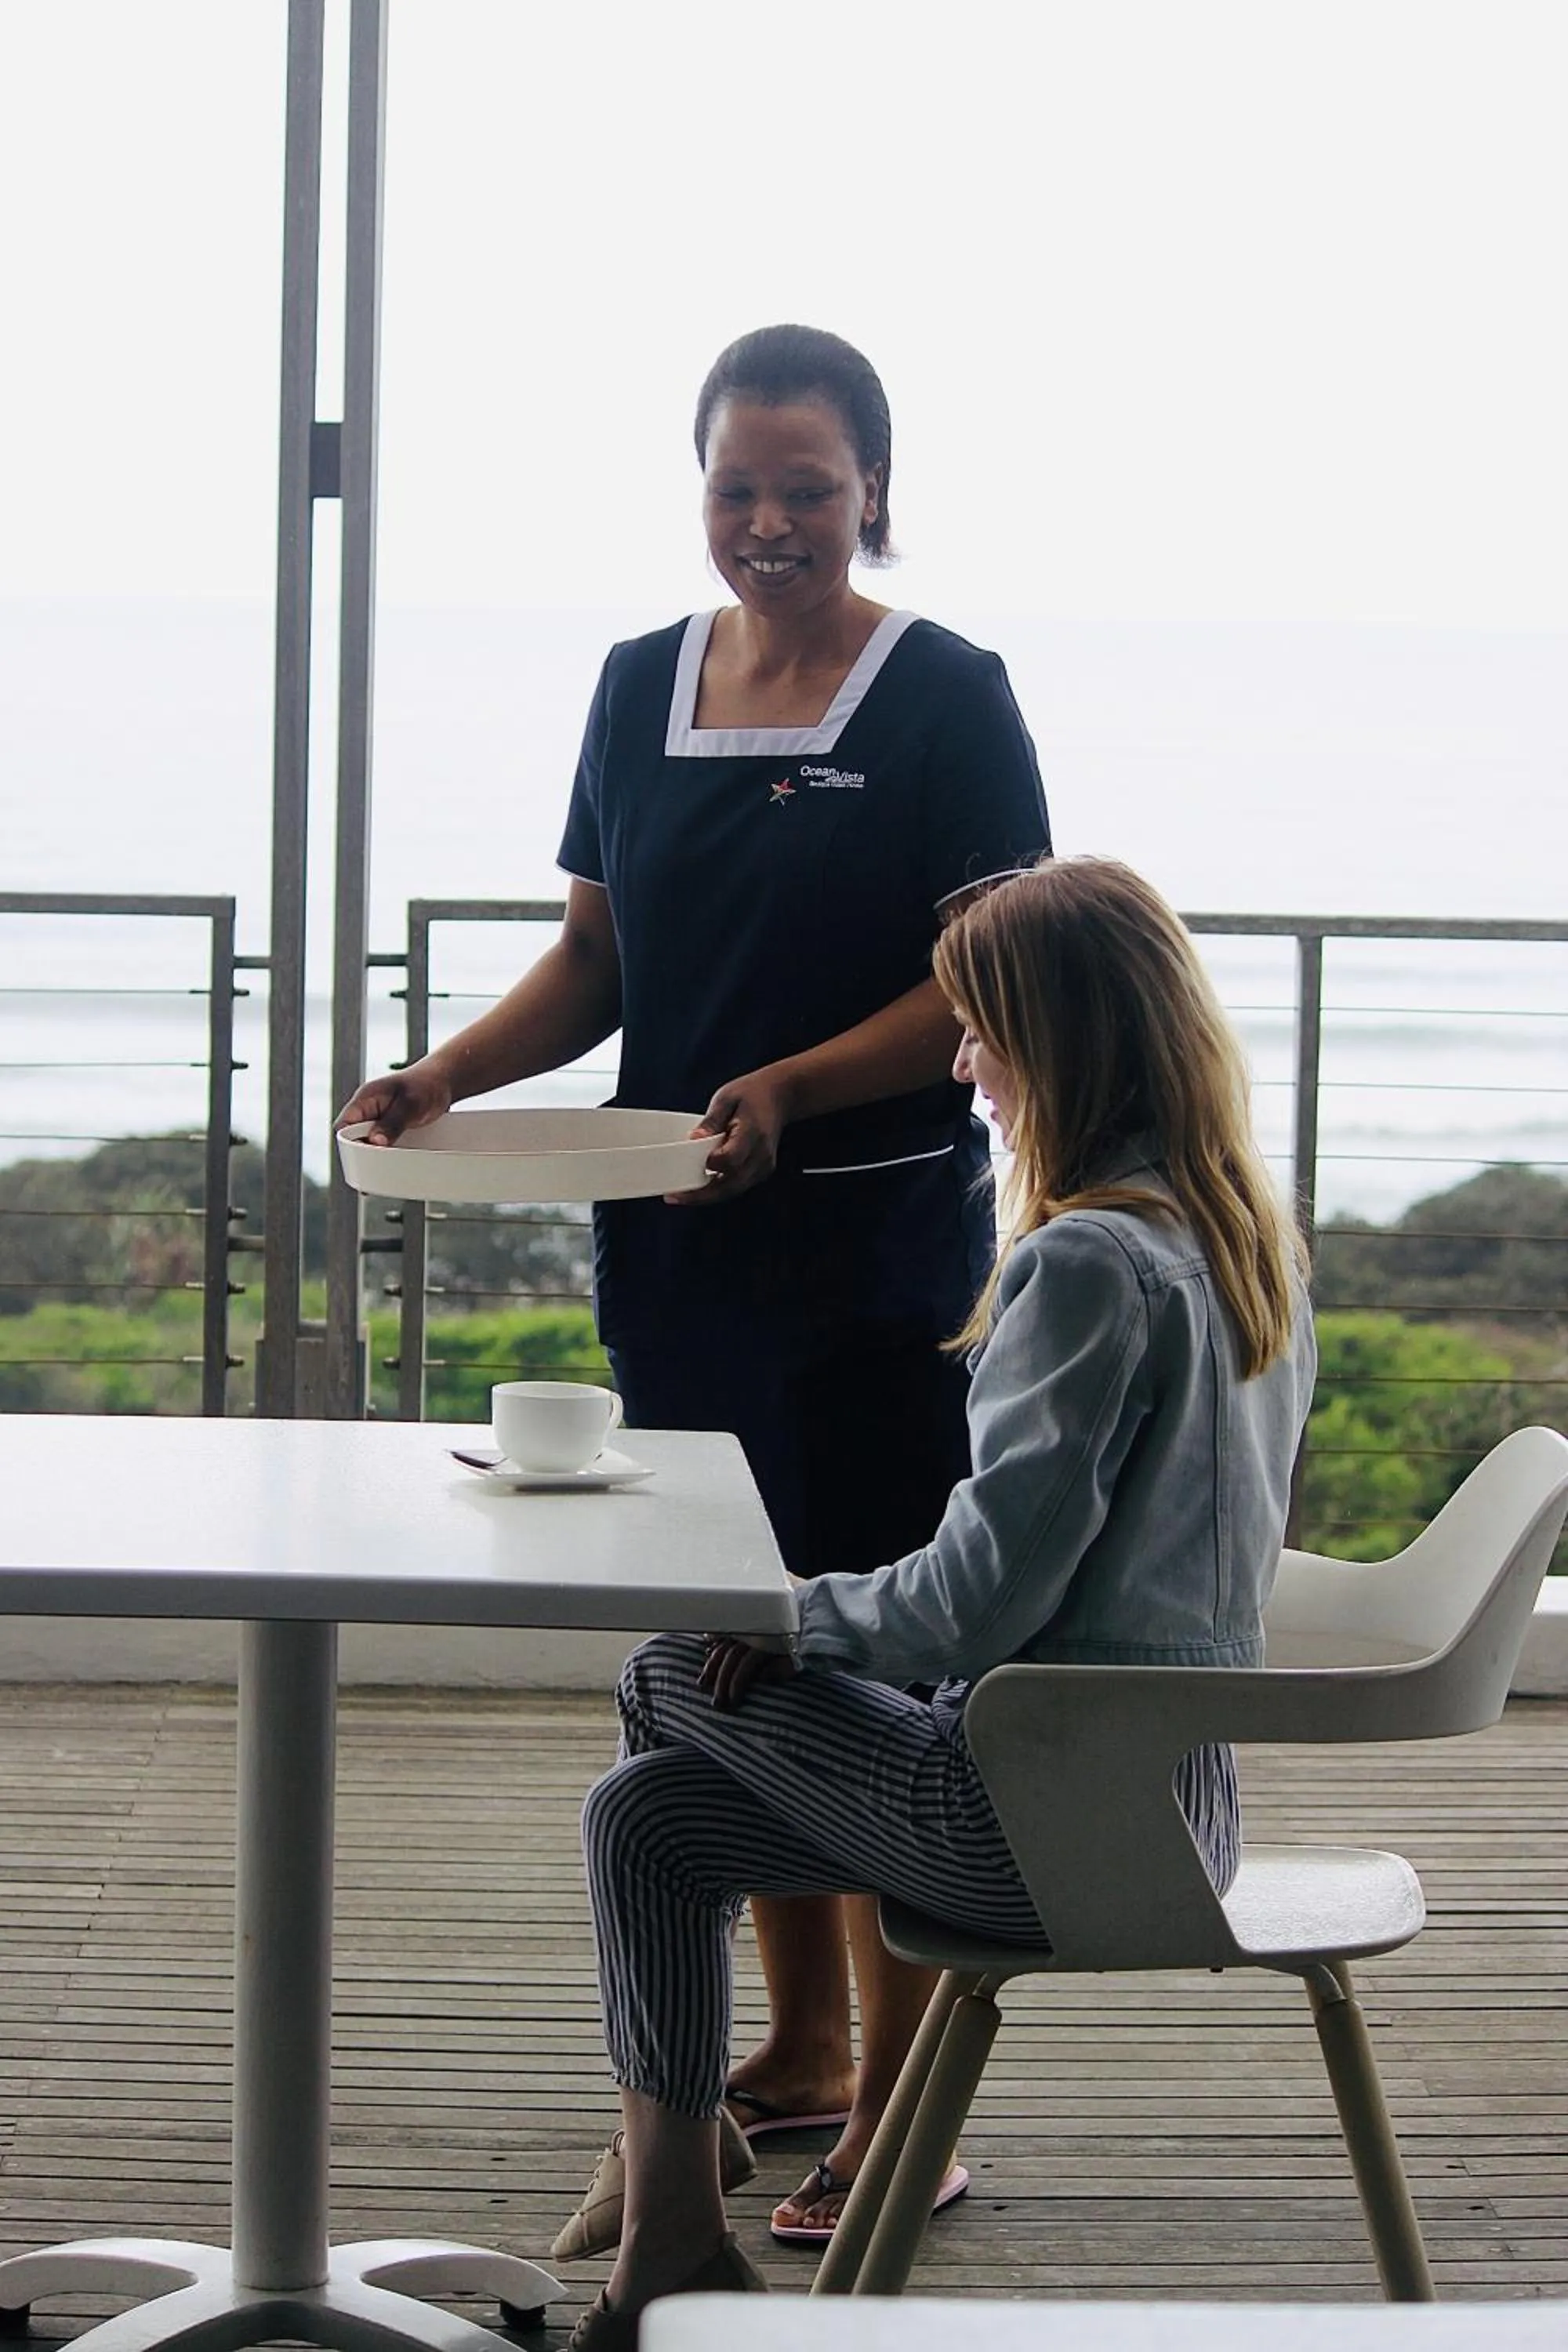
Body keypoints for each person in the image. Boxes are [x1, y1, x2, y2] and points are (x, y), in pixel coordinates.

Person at [336, 323, 1051, 2232]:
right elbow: (599, 961)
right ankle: (803, 2046)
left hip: (880, 1249)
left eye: (806, 490)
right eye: (736, 487)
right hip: (675, 1244)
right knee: (725, 1650)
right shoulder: (633, 683)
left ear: (873, 492)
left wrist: (796, 1089)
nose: (767, 524)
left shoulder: (948, 695)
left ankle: (911, 2106)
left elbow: (989, 975)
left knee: (879, 1657)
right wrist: (441, 1073)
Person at [553, 856, 1318, 2347]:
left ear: (1061, 1039)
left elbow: (971, 1606)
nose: (961, 1064)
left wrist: (785, 1616)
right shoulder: (1245, 1236)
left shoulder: (1088, 1265)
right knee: (640, 1824)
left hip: (1039, 1821)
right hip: (1179, 1804)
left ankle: (689, 2189)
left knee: (665, 1669)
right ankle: (673, 2234)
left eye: (980, 1030)